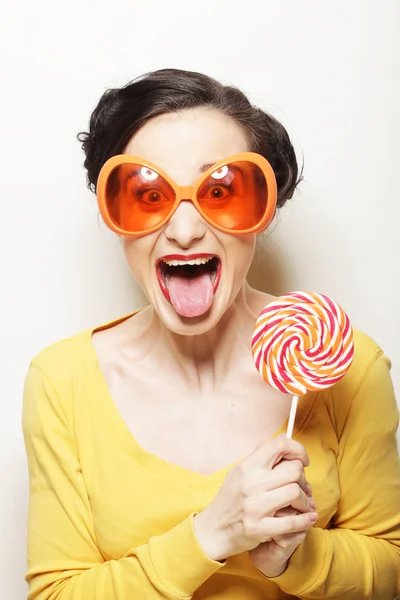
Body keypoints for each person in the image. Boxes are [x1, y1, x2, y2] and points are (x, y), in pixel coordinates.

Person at [22, 68, 400, 599]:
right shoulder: (62, 381)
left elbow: (391, 570)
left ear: (263, 211)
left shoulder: (345, 365)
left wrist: (295, 555)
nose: (183, 230)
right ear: (113, 216)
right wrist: (210, 534)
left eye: (221, 190)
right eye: (145, 194)